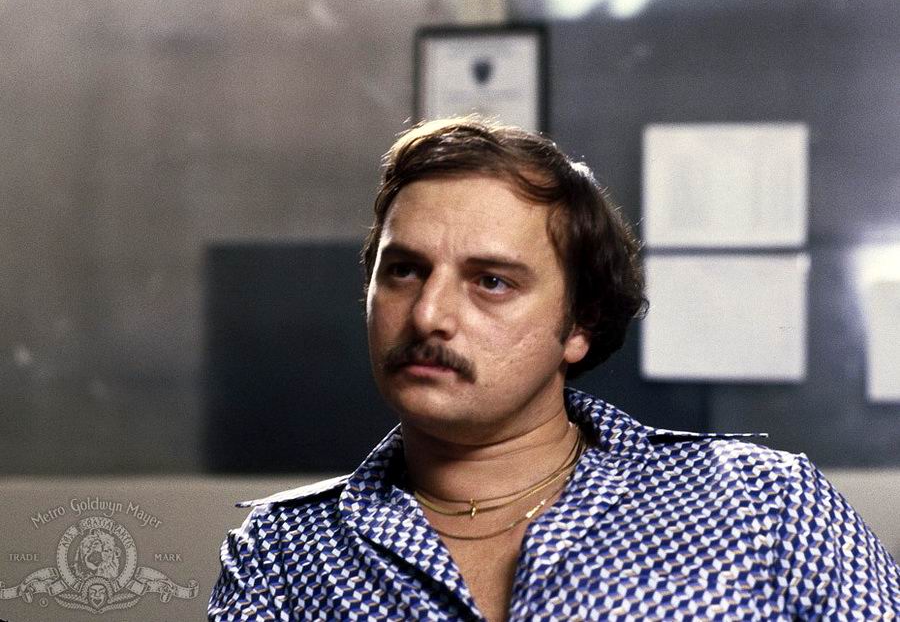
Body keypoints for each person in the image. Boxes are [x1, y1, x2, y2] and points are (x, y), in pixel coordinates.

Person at [209, 116, 900, 620]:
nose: (428, 315)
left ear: (579, 326)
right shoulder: (282, 553)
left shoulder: (762, 506)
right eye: (405, 271)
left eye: (491, 282)